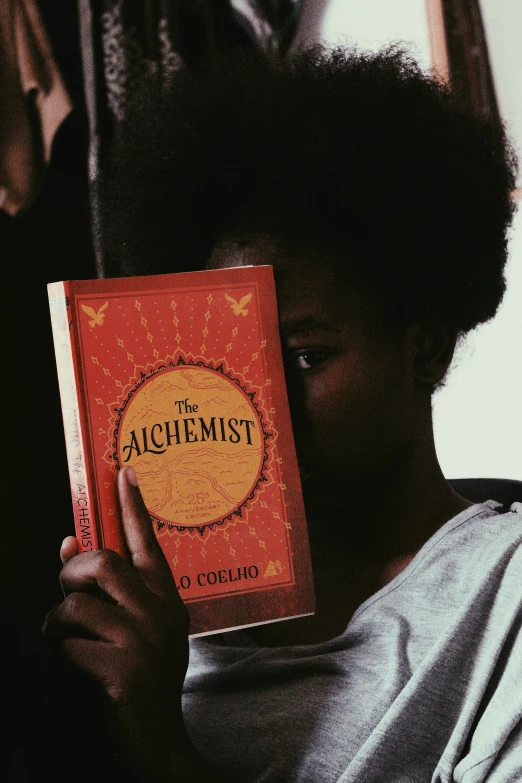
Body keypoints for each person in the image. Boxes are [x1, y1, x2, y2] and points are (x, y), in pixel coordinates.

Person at [42, 45, 521, 782]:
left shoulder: (502, 593)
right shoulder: (163, 601)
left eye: (303, 358)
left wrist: (166, 754)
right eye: (229, 369)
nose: (260, 412)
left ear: (423, 349)